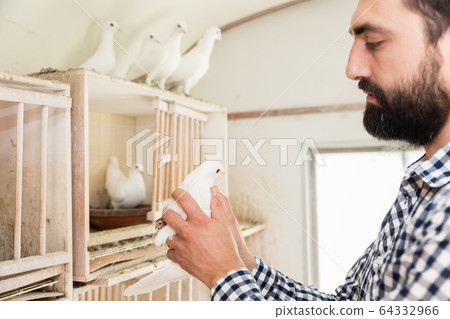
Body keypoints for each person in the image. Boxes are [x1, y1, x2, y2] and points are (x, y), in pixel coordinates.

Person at [162, 0, 450, 300]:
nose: (352, 68)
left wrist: (222, 272)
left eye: (375, 42)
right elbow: (346, 307)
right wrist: (242, 264)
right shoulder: (423, 185)